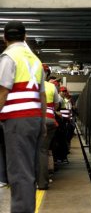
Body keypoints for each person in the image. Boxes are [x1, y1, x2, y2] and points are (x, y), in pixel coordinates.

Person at [0, 21, 46, 213]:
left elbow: (2, 91)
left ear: (5, 38)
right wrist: (42, 123)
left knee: (19, 173)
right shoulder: (35, 60)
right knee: (28, 171)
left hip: (17, 121)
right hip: (34, 120)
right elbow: (42, 95)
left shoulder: (8, 57)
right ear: (25, 37)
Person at [36, 64, 59, 190]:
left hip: (34, 120)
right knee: (43, 151)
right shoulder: (52, 87)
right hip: (50, 120)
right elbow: (56, 105)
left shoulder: (31, 85)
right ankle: (43, 182)